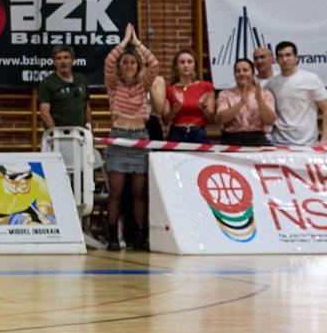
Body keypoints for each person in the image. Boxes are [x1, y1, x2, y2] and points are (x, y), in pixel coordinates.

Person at [102, 25, 158, 251]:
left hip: (139, 138)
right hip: (119, 138)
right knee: (115, 191)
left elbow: (154, 64)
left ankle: (141, 236)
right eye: (125, 62)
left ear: (138, 66)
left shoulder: (143, 85)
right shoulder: (113, 85)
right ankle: (112, 237)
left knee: (139, 193)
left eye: (133, 62)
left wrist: (137, 43)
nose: (128, 66)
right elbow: (109, 61)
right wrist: (124, 41)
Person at [268, 41, 327, 148]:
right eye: (281, 56)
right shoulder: (271, 83)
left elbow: (325, 109)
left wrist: (324, 140)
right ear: (276, 60)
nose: (285, 59)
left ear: (296, 58)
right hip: (278, 143)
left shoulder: (311, 79)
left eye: (288, 55)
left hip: (307, 144)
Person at [211, 58, 276, 147]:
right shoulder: (225, 94)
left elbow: (270, 120)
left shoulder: (265, 94)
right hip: (232, 139)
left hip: (257, 139)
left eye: (245, 70)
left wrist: (259, 100)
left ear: (253, 73)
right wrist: (241, 103)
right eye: (238, 71)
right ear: (234, 74)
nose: (241, 73)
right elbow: (221, 118)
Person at [154, 51, 213, 144]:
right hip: (177, 133)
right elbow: (165, 120)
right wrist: (175, 109)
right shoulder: (170, 89)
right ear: (177, 67)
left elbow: (211, 118)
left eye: (189, 62)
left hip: (198, 133)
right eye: (182, 62)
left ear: (194, 65)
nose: (186, 65)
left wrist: (203, 107)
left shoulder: (206, 86)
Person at [35, 46, 91, 134]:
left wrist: (90, 130)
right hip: (58, 135)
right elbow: (45, 113)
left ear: (73, 60)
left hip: (80, 134)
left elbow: (87, 107)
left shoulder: (82, 80)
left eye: (66, 57)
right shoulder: (47, 83)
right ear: (54, 62)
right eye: (58, 58)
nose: (63, 61)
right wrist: (56, 134)